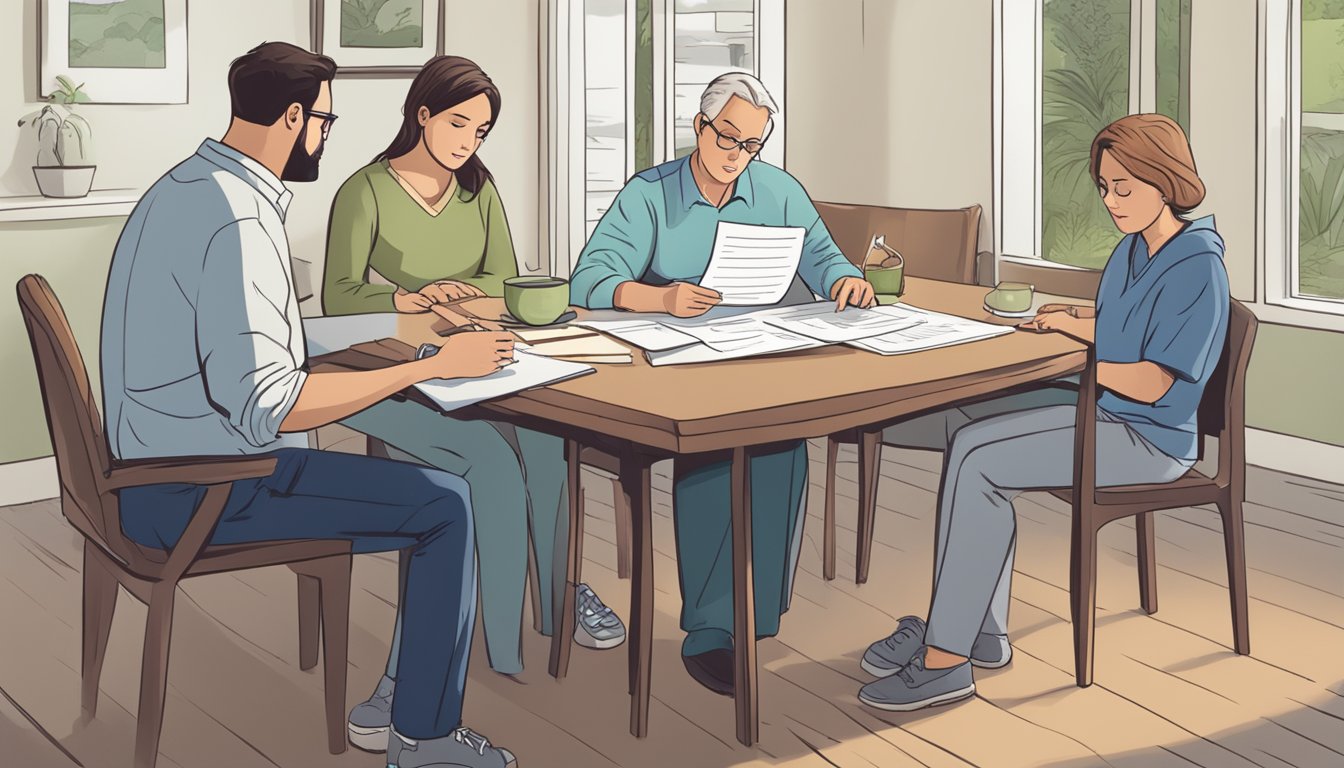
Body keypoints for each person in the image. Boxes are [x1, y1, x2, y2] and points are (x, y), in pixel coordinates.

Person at [100, 42, 518, 768]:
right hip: (205, 488)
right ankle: (421, 738)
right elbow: (273, 405)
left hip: (153, 465)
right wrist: (437, 365)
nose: (326, 133)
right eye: (323, 119)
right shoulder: (240, 222)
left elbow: (271, 338)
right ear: (292, 116)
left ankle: (398, 696)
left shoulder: (190, 187)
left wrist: (397, 325)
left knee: (428, 494)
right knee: (445, 505)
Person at [856, 113, 1229, 712]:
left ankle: (946, 659)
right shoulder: (1135, 249)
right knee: (966, 423)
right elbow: (1125, 329)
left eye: (1125, 188)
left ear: (1166, 182)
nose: (1112, 201)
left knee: (979, 459)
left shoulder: (1197, 266)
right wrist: (1071, 321)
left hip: (1149, 437)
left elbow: (1155, 379)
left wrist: (1074, 363)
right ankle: (980, 629)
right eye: (1105, 188)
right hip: (1110, 412)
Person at [322, 57, 624, 744]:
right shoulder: (364, 190)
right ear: (422, 113)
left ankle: (557, 598)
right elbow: (339, 294)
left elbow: (505, 278)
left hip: (480, 355)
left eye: (480, 130)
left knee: (548, 440)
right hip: (395, 367)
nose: (467, 141)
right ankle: (489, 636)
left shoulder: (478, 190)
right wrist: (411, 297)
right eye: (458, 123)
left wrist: (464, 296)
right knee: (487, 461)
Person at [569, 72, 877, 695]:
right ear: (698, 128)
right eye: (728, 138)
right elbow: (589, 282)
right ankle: (710, 631)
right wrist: (659, 297)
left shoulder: (780, 191)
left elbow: (825, 258)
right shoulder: (651, 194)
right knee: (713, 451)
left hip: (761, 356)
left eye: (753, 145)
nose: (738, 155)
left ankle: (756, 619)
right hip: (675, 363)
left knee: (783, 442)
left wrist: (846, 279)